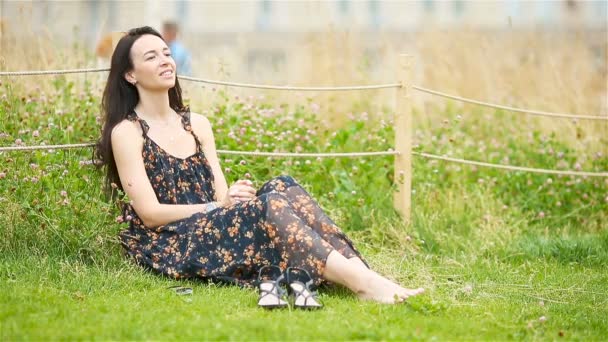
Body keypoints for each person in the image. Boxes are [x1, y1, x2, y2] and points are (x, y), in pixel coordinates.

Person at [95, 26, 424, 307]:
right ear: (130, 74)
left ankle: (365, 276)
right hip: (169, 241)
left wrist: (231, 198)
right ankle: (364, 283)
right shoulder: (128, 132)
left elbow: (220, 193)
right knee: (268, 205)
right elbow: (149, 214)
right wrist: (217, 206)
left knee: (281, 186)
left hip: (211, 223)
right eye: (150, 57)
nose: (165, 60)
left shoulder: (197, 124)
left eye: (166, 52)